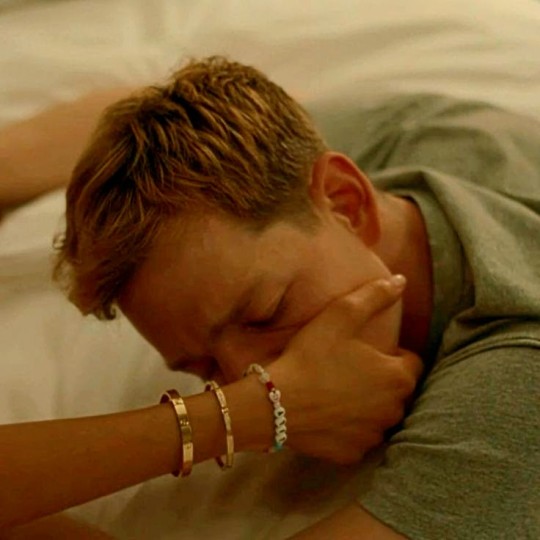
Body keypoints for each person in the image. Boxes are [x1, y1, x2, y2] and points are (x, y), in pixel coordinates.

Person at [3, 55, 540, 538]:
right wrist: (242, 415)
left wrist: (242, 415)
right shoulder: (395, 135)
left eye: (264, 314)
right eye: (205, 368)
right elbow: (126, 110)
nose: (254, 376)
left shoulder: (517, 375)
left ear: (346, 203)